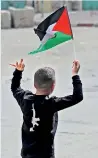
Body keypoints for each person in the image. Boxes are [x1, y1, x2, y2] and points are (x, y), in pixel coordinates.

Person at [11, 59, 83, 158]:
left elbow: (15, 87)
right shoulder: (52, 104)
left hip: (27, 154)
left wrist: (18, 72)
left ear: (34, 85)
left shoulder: (25, 98)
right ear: (53, 86)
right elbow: (77, 96)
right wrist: (75, 74)